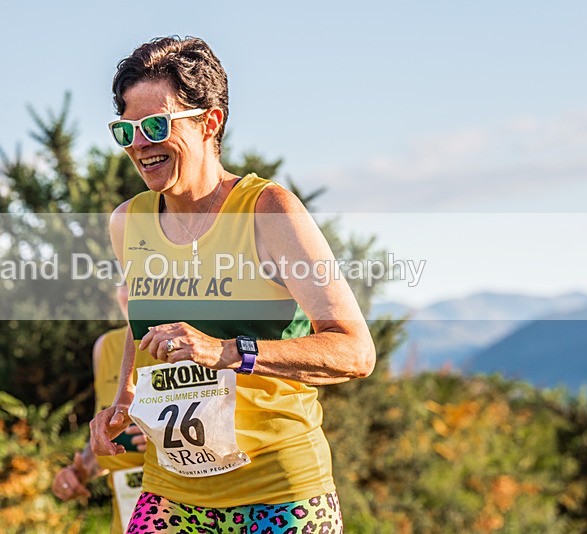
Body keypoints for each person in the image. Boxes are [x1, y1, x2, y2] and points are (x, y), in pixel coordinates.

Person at [90, 36, 376, 534]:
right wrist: (123, 400)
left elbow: (354, 352)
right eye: (126, 130)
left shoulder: (269, 211)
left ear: (210, 122)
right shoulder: (127, 222)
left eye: (156, 125)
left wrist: (225, 350)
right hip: (171, 493)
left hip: (279, 496)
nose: (139, 144)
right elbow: (144, 327)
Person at [52, 285, 146, 534]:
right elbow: (110, 441)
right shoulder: (105, 347)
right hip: (127, 519)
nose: (131, 293)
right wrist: (80, 472)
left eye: (141, 280)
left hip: (187, 505)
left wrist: (169, 440)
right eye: (126, 283)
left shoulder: (187, 337)